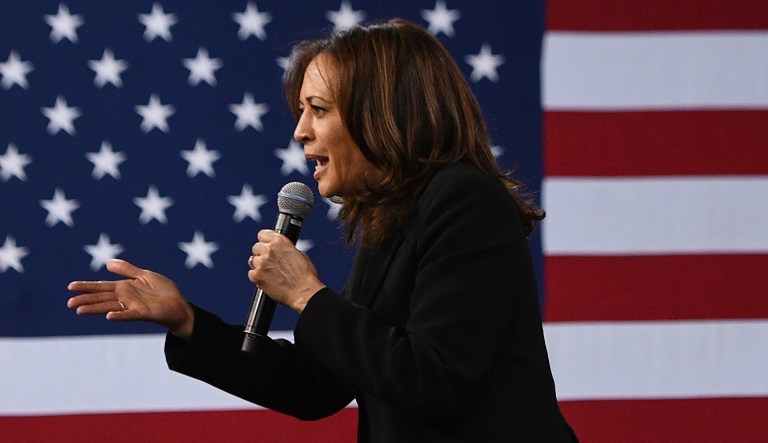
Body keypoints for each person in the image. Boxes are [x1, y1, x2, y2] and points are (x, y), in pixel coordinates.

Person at [67, 19, 577, 442]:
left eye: (319, 110)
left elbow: (431, 377)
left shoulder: (464, 199)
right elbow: (317, 386)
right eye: (301, 112)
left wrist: (307, 296)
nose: (300, 131)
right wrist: (186, 323)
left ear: (382, 111)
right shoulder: (393, 217)